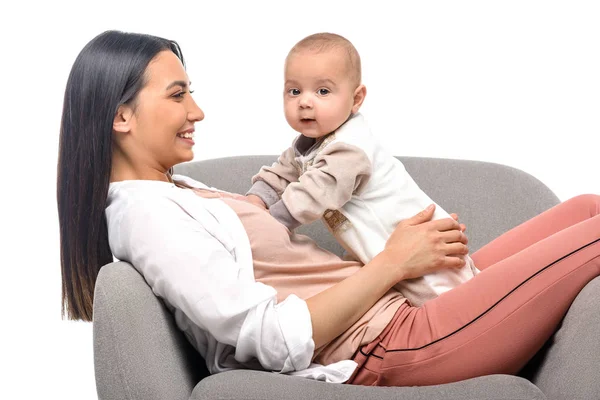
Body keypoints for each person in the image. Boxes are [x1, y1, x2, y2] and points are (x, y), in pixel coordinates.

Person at [57, 30, 600, 388]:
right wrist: (393, 263)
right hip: (393, 342)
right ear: (120, 116)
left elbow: (277, 191)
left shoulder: (175, 192)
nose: (197, 109)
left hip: (402, 305)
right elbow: (266, 337)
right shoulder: (146, 218)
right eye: (177, 95)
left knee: (586, 209)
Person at [246, 33, 478, 307]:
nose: (305, 102)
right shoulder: (307, 145)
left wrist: (265, 224)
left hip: (421, 253)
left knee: (445, 301)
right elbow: (280, 174)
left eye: (323, 91)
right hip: (382, 251)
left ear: (356, 99)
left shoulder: (350, 147)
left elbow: (314, 193)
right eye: (294, 91)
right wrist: (250, 203)